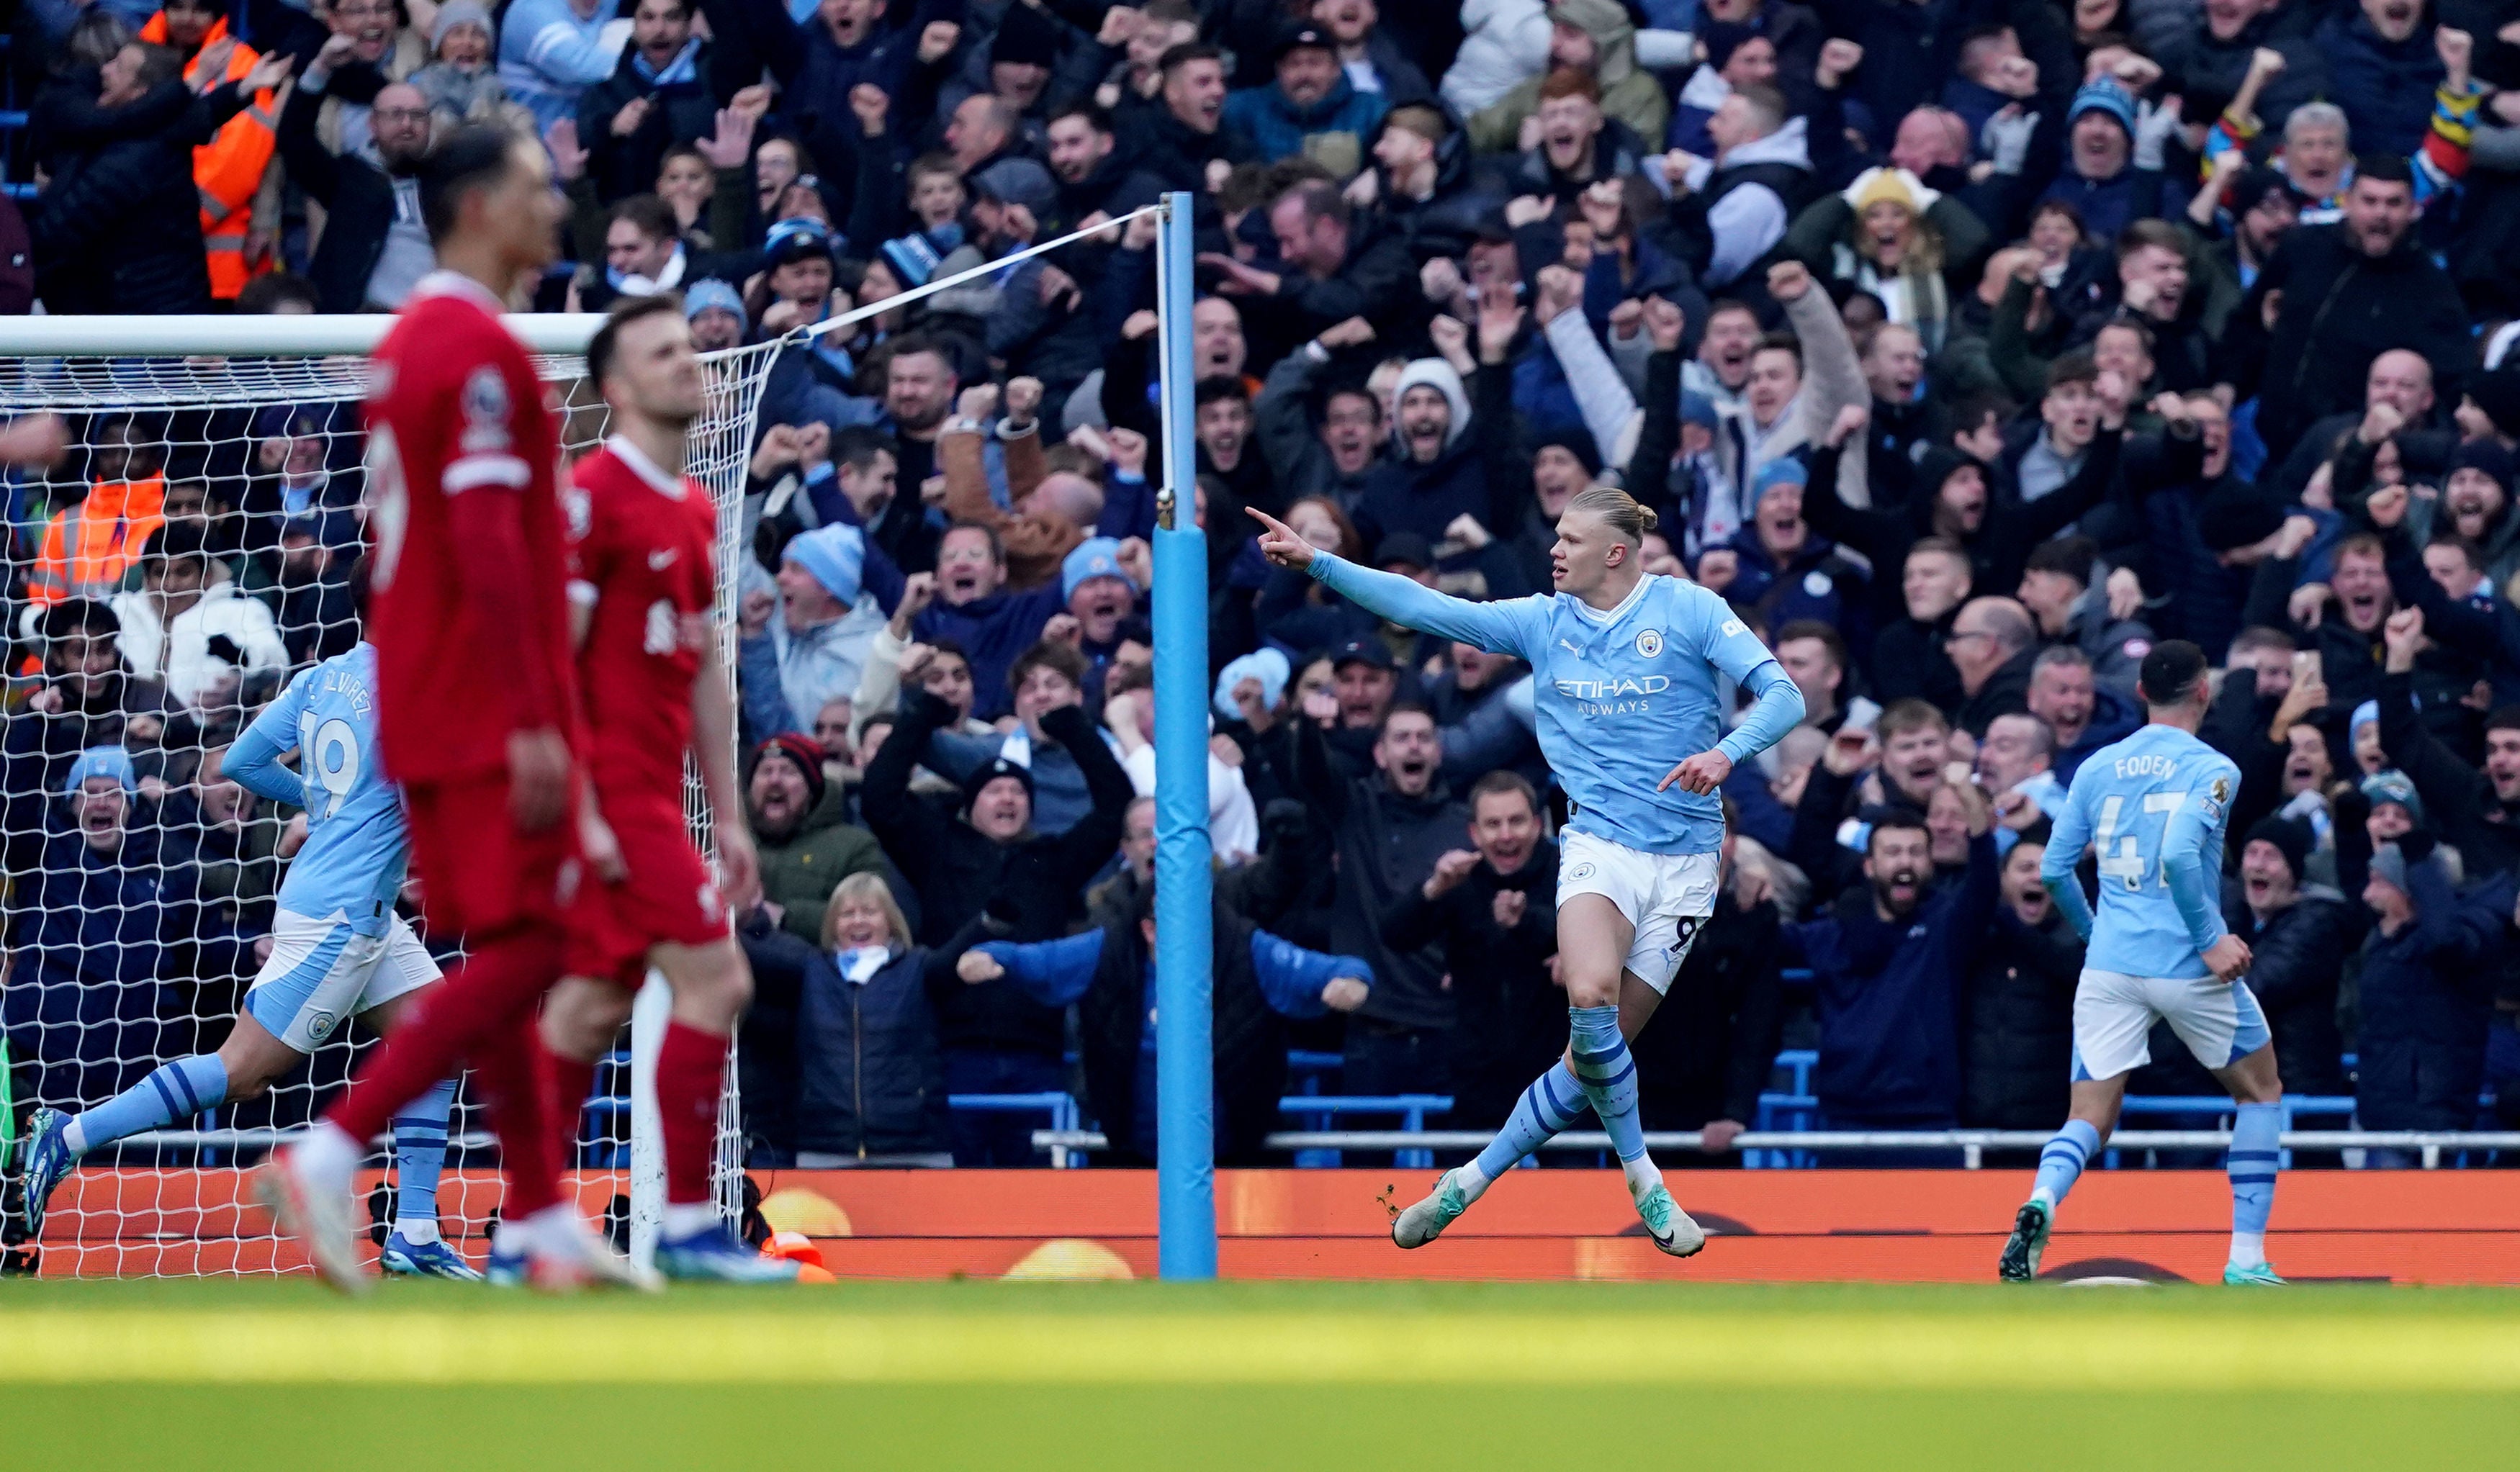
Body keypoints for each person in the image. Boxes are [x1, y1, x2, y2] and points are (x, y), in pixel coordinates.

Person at [256, 126, 638, 1295]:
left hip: (434, 692)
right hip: (474, 701)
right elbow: (483, 544)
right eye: (536, 187)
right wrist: (533, 716)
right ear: (477, 205)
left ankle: (534, 1215)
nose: (556, 207)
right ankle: (335, 1147)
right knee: (559, 941)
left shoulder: (423, 338)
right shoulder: (472, 347)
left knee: (523, 944)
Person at [1250, 483, 1804, 1253]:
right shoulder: (1544, 622)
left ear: (1614, 551)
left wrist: (1725, 752)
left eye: (1569, 540)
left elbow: (1783, 695)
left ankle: (1464, 1184)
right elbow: (1419, 607)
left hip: (1683, 862)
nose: (1553, 550)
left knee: (1586, 1062)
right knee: (1588, 994)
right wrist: (1319, 561)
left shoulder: (1688, 610)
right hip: (1597, 843)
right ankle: (1644, 1175)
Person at [18, 638, 476, 1279]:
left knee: (438, 1038)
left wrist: (325, 807)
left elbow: (242, 760)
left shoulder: (326, 676)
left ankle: (417, 1231)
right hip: (340, 920)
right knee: (242, 1072)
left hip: (344, 902)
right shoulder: (417, 690)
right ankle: (67, 1136)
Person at [516, 294, 788, 1281]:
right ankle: (683, 1225)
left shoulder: (695, 504)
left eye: (691, 344)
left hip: (659, 797)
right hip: (612, 796)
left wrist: (728, 811)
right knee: (718, 981)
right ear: (620, 387)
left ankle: (523, 1229)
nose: (691, 361)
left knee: (590, 1005)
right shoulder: (591, 496)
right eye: (664, 351)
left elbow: (702, 662)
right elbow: (554, 667)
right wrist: (585, 813)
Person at [2008, 640, 2287, 1286]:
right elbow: (2182, 858)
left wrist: (2095, 931)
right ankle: (2247, 1259)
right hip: (2187, 963)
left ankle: (2042, 1199)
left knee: (2090, 1116)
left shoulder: (2098, 766)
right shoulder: (2213, 768)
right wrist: (2211, 937)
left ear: (2140, 691)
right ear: (2204, 692)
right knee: (2261, 1092)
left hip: (2110, 967)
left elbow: (2054, 869)